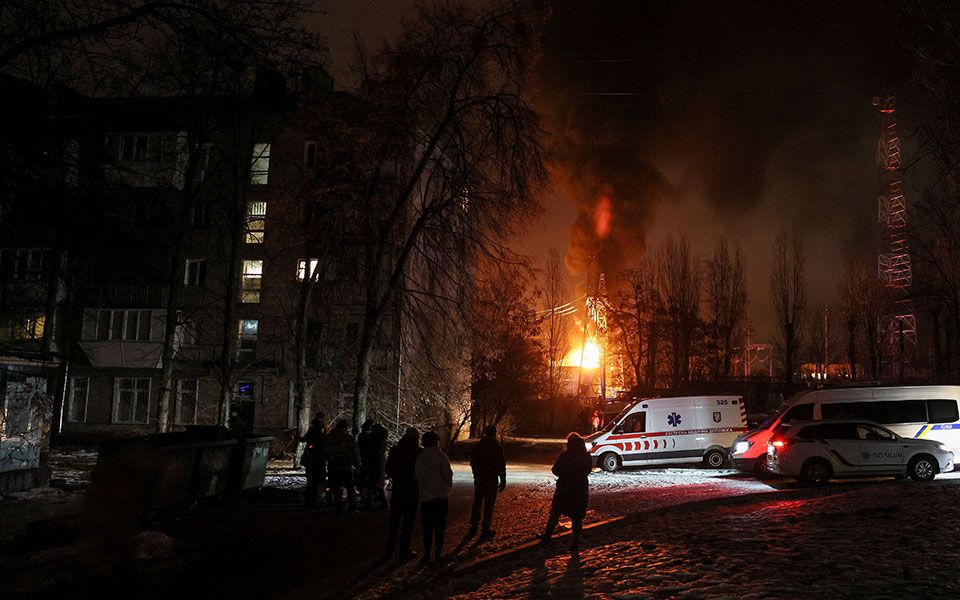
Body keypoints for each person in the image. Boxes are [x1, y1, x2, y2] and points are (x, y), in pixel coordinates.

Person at [540, 432, 593, 552]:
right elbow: (587, 470)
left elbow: (555, 469)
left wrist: (566, 473)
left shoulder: (565, 455)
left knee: (556, 512)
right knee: (577, 517)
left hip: (565, 487)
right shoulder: (586, 456)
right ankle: (575, 543)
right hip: (579, 489)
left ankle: (547, 536)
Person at [414, 430, 453, 563]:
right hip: (441, 496)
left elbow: (417, 476)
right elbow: (448, 475)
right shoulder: (441, 457)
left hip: (426, 497)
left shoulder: (420, 458)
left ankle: (427, 552)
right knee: (440, 527)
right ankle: (438, 553)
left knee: (427, 526)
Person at [383, 427, 421, 561]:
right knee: (408, 522)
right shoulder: (418, 452)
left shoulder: (396, 450)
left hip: (398, 489)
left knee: (394, 522)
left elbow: (388, 468)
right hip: (412, 490)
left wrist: (396, 477)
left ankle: (389, 551)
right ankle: (404, 551)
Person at [468, 425, 506, 540]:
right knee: (489, 504)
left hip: (480, 479)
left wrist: (476, 475)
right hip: (491, 479)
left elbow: (473, 462)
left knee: (478, 501)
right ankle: (485, 528)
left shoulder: (478, 446)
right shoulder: (496, 448)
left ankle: (474, 525)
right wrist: (503, 479)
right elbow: (501, 465)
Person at [325, 419, 360, 514]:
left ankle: (338, 507)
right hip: (346, 466)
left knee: (336, 488)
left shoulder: (329, 438)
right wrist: (357, 465)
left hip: (333, 466)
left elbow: (325, 451)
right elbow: (355, 453)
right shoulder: (349, 438)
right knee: (349, 487)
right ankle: (352, 508)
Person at [294, 413, 327, 509]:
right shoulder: (318, 436)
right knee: (315, 483)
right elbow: (319, 447)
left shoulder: (312, 433)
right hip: (316, 461)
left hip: (310, 461)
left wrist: (295, 438)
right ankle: (313, 503)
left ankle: (310, 502)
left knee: (311, 482)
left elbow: (304, 439)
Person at [357, 419, 375, 507]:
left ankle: (365, 498)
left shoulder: (362, 436)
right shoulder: (372, 437)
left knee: (364, 480)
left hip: (365, 461)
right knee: (368, 481)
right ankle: (367, 498)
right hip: (369, 461)